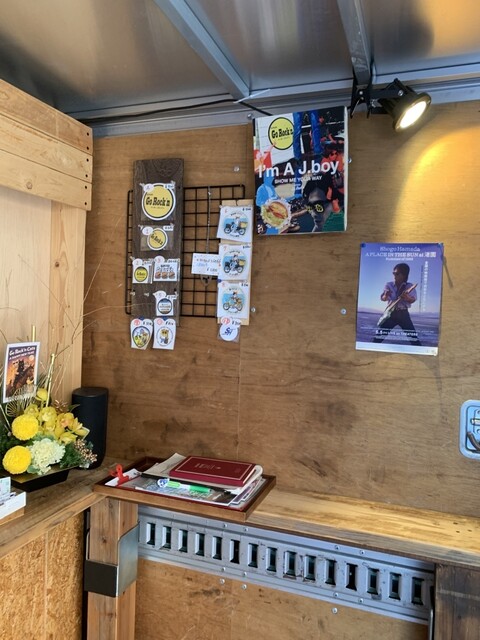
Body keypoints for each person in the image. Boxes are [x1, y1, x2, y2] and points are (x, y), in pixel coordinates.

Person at [373, 263, 421, 346]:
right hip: (391, 314)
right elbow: (383, 299)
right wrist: (385, 295)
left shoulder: (409, 286)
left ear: (404, 275)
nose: (394, 275)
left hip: (403, 314)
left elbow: (413, 300)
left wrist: (406, 297)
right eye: (393, 273)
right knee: (378, 338)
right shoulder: (388, 285)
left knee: (413, 338)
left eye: (397, 273)